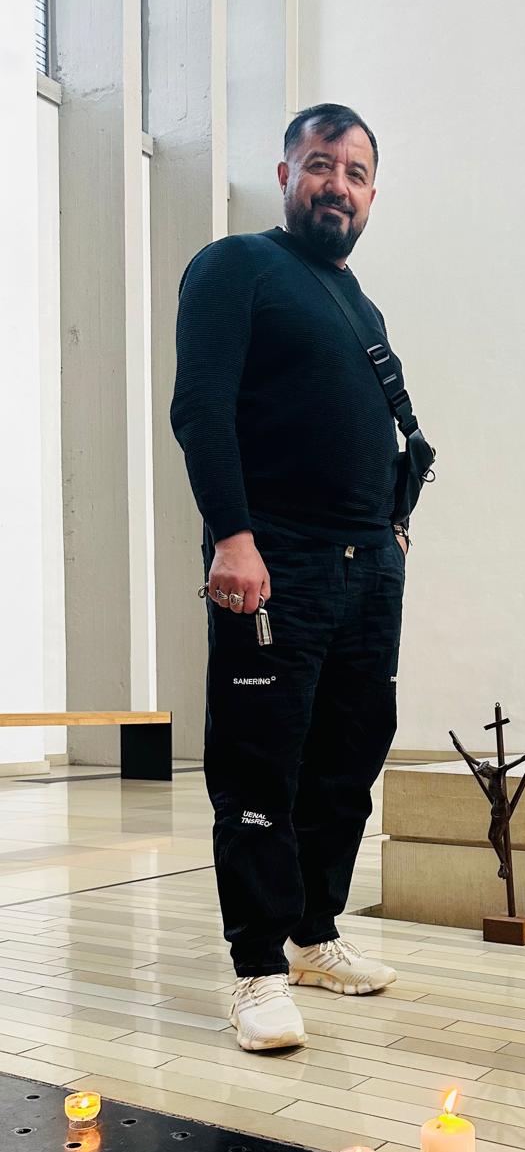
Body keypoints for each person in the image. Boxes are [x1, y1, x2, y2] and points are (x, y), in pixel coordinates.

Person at [170, 103, 415, 1053]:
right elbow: (202, 409)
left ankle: (314, 936)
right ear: (284, 175)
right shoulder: (236, 266)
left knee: (347, 765)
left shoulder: (359, 304)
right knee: (259, 770)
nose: (337, 186)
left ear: (372, 195)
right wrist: (232, 537)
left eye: (355, 173)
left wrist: (392, 532)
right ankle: (258, 968)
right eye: (321, 165)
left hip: (367, 567)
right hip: (274, 562)